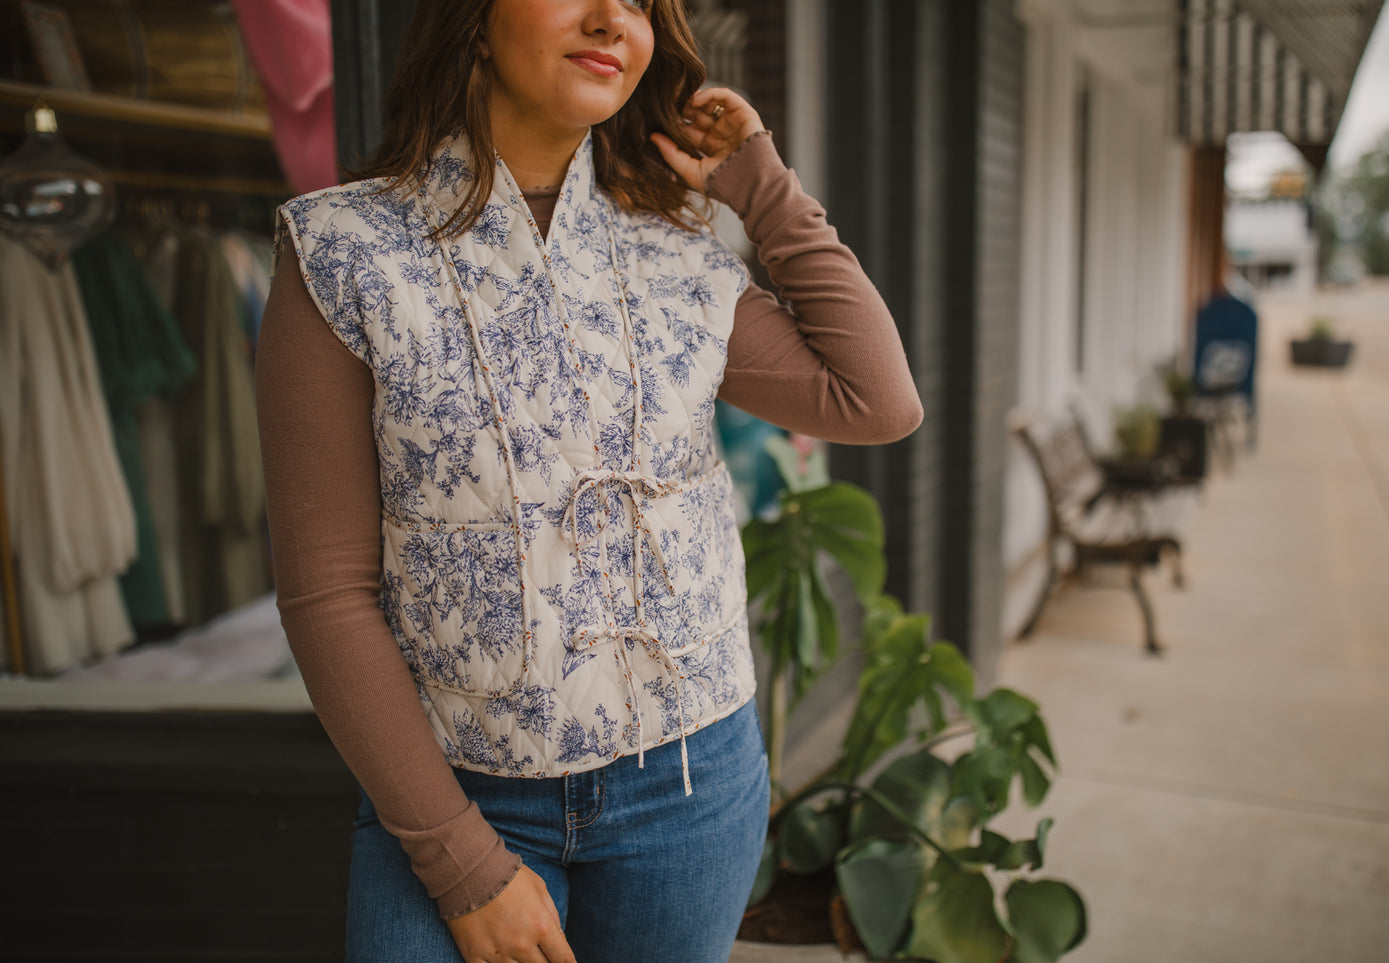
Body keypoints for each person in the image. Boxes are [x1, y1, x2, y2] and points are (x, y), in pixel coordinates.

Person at [255, 1, 922, 961]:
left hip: (692, 788)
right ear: (474, 20)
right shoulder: (343, 251)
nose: (614, 16)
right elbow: (325, 593)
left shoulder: (675, 253)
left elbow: (877, 399)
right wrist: (461, 862)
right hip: (457, 788)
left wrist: (763, 191)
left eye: (643, 1)